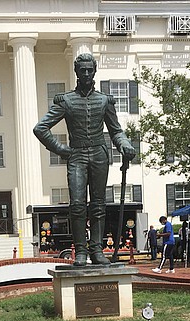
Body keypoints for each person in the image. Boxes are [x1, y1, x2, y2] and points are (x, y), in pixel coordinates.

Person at [34, 52, 137, 266]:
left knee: (98, 205)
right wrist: (62, 150)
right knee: (78, 205)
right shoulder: (66, 101)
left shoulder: (104, 101)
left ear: (95, 71)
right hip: (77, 155)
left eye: (90, 70)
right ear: (77, 72)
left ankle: (97, 250)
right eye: (83, 70)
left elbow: (116, 131)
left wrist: (125, 145)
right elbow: (40, 128)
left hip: (99, 154)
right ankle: (80, 251)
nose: (87, 73)